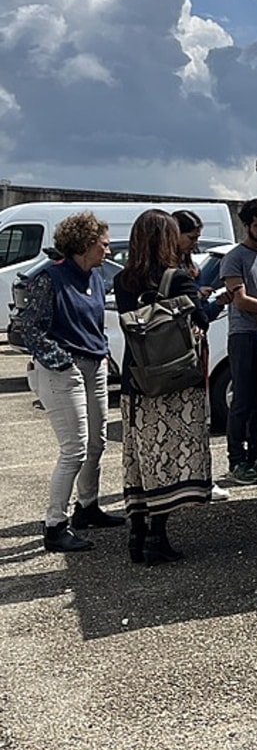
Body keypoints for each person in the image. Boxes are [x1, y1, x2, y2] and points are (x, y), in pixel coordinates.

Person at [12, 212, 121, 553]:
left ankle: (86, 508)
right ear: (85, 245)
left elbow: (92, 322)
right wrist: (63, 363)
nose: (108, 251)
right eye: (103, 244)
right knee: (74, 449)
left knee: (96, 443)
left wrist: (100, 353)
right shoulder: (50, 279)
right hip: (65, 370)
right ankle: (54, 525)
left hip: (94, 366)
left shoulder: (96, 277)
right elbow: (30, 329)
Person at [114, 209, 213, 566]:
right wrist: (212, 300)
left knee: (139, 457)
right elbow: (202, 318)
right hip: (171, 380)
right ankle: (157, 535)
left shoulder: (123, 281)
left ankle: (136, 534)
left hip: (135, 380)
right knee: (167, 458)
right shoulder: (179, 279)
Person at [173, 209, 230, 503]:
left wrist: (208, 299)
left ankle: (197, 478)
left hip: (192, 349)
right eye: (191, 238)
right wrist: (207, 301)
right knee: (193, 417)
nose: (195, 245)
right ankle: (198, 480)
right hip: (187, 351)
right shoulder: (176, 272)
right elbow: (200, 317)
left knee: (196, 416)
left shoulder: (182, 267)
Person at [219, 198, 257, 486]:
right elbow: (240, 300)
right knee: (242, 400)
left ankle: (256, 455)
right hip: (244, 335)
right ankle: (236, 459)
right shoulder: (235, 258)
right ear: (246, 225)